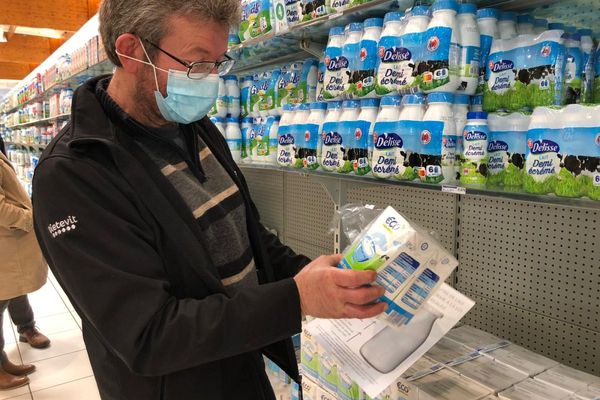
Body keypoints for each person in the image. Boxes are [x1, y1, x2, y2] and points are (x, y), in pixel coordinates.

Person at [32, 1, 387, 399]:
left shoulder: (192, 125)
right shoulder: (75, 173)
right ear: (132, 52)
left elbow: (246, 235)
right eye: (198, 63)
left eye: (219, 63)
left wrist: (322, 279)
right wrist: (296, 298)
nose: (210, 81)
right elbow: (148, 335)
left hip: (243, 362)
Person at [0, 145, 49, 390]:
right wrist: (29, 218)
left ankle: (2, 361)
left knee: (8, 295)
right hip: (5, 237)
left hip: (7, 242)